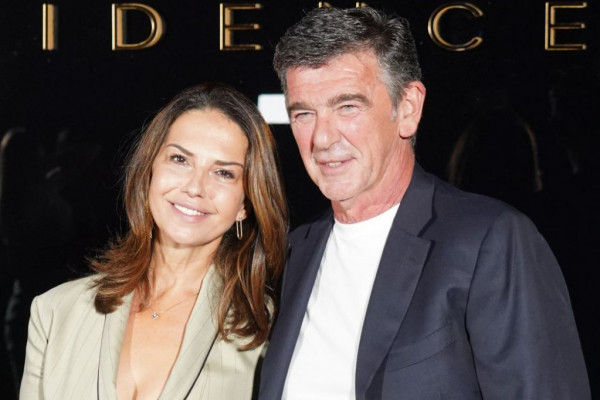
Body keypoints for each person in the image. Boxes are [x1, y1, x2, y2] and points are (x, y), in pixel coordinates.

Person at [259, 6, 590, 400]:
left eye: (347, 107)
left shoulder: (489, 241)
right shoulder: (296, 251)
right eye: (304, 114)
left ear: (408, 108)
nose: (323, 138)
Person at [20, 83, 288, 400]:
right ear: (150, 170)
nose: (195, 187)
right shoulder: (55, 311)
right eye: (180, 159)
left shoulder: (269, 332)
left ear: (245, 203)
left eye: (223, 173)